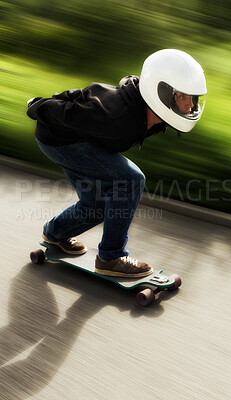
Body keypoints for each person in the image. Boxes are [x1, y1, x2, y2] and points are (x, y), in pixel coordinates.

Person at [27, 49, 207, 278]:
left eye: (195, 98)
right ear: (163, 93)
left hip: (77, 140)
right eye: (185, 96)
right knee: (130, 180)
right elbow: (67, 110)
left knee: (98, 205)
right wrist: (38, 105)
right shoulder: (114, 116)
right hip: (61, 141)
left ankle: (55, 233)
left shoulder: (150, 112)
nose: (191, 105)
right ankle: (111, 257)